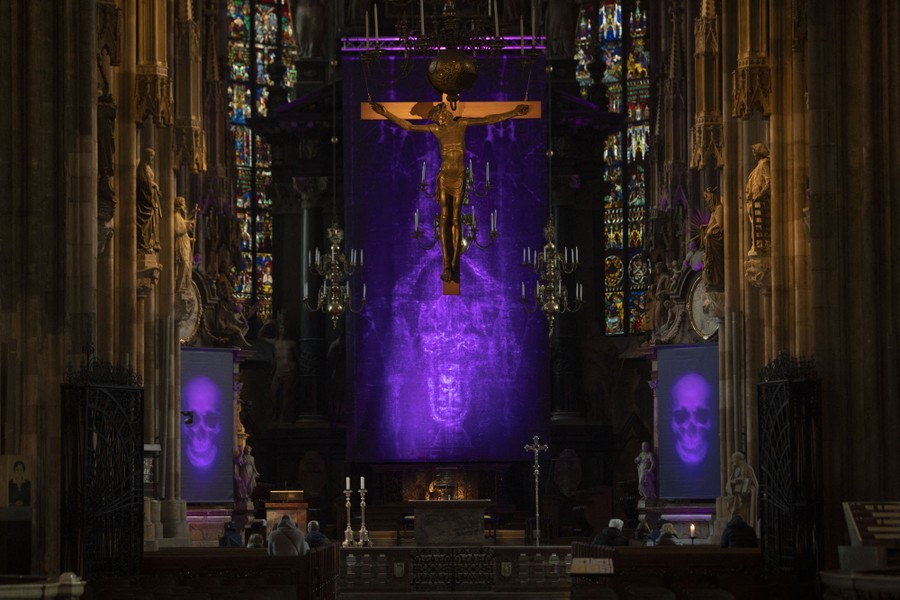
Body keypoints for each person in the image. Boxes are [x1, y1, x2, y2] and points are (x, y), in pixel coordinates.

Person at [370, 100, 529, 283]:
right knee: (444, 219)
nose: (439, 120)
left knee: (456, 219)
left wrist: (514, 113)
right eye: (436, 119)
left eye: (440, 116)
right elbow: (409, 126)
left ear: (446, 114)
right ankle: (446, 265)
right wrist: (385, 113)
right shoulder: (437, 130)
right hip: (444, 178)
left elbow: (489, 119)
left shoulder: (461, 124)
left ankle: (453, 263)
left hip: (459, 177)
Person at [745, 143, 770, 256]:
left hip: (761, 200)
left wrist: (760, 194)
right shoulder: (758, 165)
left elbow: (769, 181)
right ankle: (757, 244)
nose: (753, 155)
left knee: (760, 224)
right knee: (756, 224)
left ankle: (761, 245)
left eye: (755, 152)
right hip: (754, 201)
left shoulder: (764, 163)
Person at [136, 147, 162, 254]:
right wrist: (153, 185)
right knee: (145, 222)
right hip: (146, 199)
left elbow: (149, 181)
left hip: (152, 198)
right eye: (151, 157)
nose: (152, 160)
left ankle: (148, 243)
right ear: (147, 157)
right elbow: (143, 182)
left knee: (152, 222)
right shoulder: (142, 168)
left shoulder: (148, 168)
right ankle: (143, 245)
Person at [700, 186, 724, 290]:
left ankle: (715, 279)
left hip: (715, 240)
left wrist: (709, 230)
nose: (706, 200)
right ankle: (710, 278)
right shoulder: (713, 211)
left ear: (712, 196)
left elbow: (719, 224)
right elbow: (712, 223)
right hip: (710, 239)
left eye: (707, 197)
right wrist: (705, 227)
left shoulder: (719, 208)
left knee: (713, 263)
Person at [725, 451, 759, 526]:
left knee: (744, 518)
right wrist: (733, 482)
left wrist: (746, 484)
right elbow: (729, 483)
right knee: (734, 514)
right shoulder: (736, 470)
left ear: (739, 459)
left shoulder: (748, 468)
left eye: (734, 459)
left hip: (746, 499)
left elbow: (755, 484)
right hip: (736, 498)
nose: (732, 461)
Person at [174, 196, 196, 294]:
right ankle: (178, 286)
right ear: (179, 205)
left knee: (187, 265)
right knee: (183, 263)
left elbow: (184, 223)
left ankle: (183, 285)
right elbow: (178, 231)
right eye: (183, 203)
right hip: (181, 243)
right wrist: (187, 226)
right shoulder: (175, 217)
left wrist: (191, 239)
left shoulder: (180, 217)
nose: (185, 205)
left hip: (186, 243)